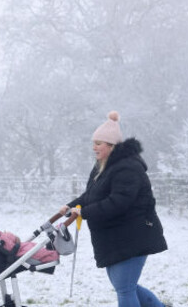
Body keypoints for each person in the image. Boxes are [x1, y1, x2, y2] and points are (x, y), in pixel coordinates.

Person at [61, 111, 170, 307]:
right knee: (127, 286)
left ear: (111, 146)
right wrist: (71, 206)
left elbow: (118, 202)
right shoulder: (103, 166)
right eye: (93, 142)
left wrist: (84, 212)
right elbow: (92, 195)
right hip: (115, 236)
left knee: (125, 288)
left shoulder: (128, 168)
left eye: (98, 143)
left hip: (134, 234)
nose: (94, 147)